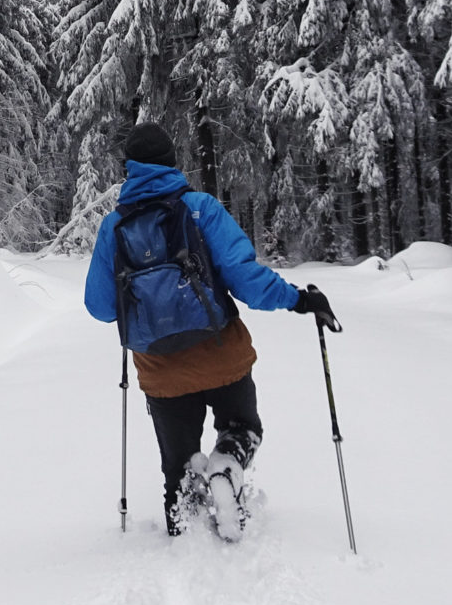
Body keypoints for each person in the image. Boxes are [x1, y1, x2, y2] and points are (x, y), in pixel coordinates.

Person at [83, 122, 331, 535]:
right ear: (170, 162)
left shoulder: (114, 227)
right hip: (222, 354)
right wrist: (299, 300)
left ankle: (186, 532)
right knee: (242, 430)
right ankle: (227, 468)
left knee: (176, 471)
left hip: (161, 371)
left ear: (130, 169)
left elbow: (99, 308)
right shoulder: (200, 208)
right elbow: (246, 279)